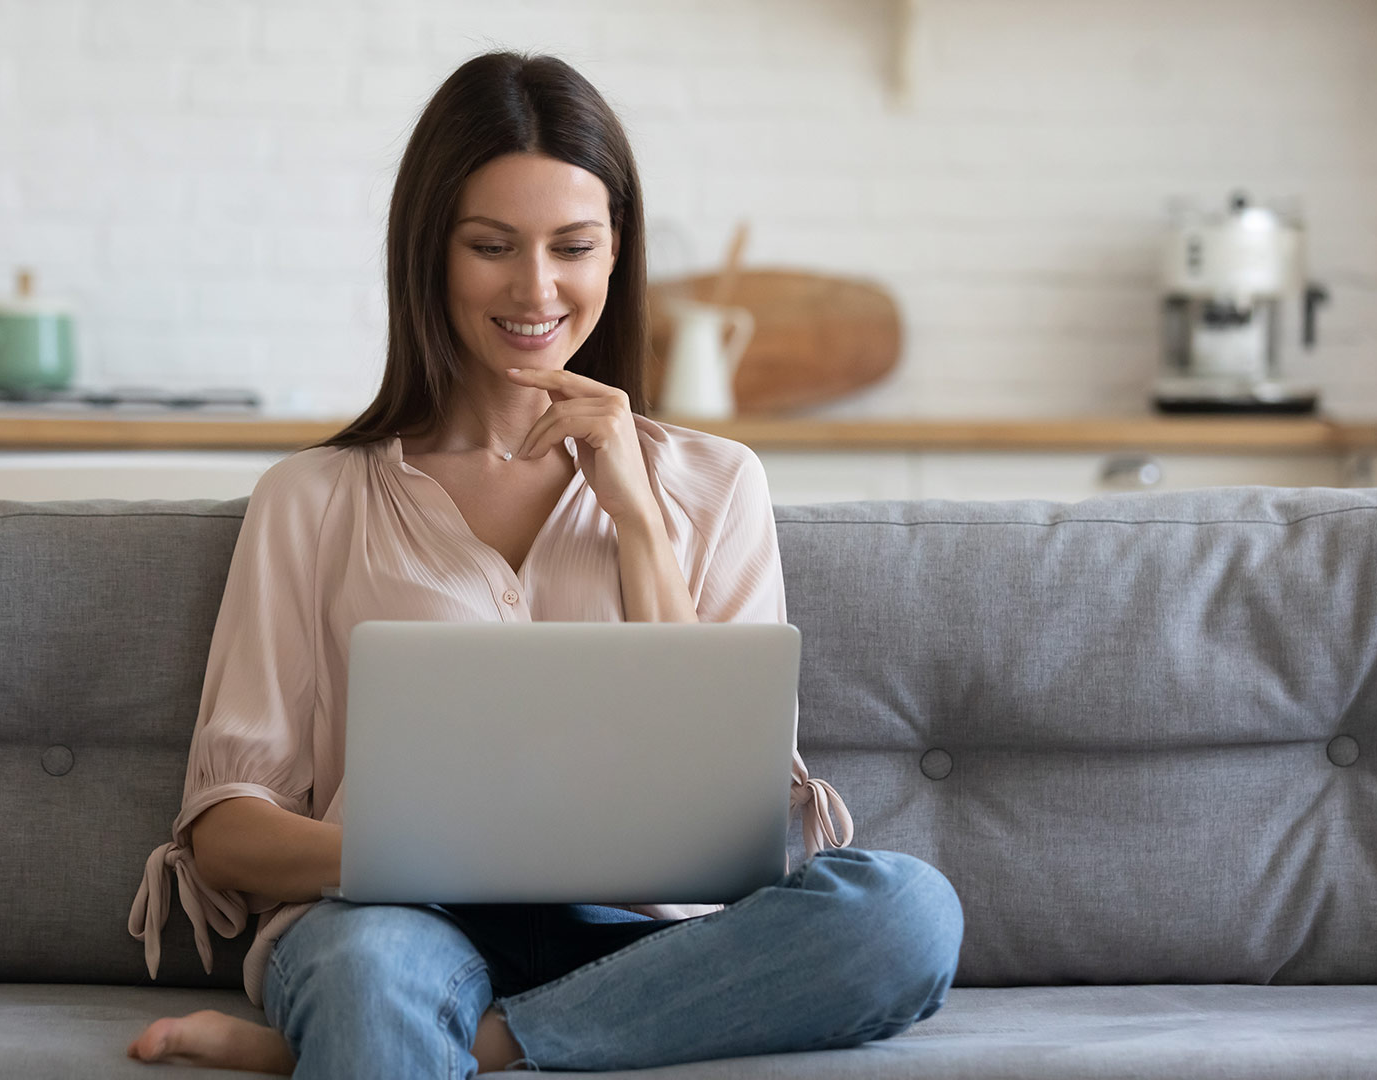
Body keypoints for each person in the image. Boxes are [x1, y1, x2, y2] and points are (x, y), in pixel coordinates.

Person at [124, 50, 963, 1077]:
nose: (536, 289)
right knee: (372, 976)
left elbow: (729, 810)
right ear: (430, 254)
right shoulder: (313, 498)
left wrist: (639, 521)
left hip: (643, 937)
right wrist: (434, 856)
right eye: (491, 247)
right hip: (394, 922)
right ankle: (404, 1026)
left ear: (617, 256)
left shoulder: (717, 481)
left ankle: (467, 1049)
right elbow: (227, 835)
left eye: (574, 247)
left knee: (910, 913)